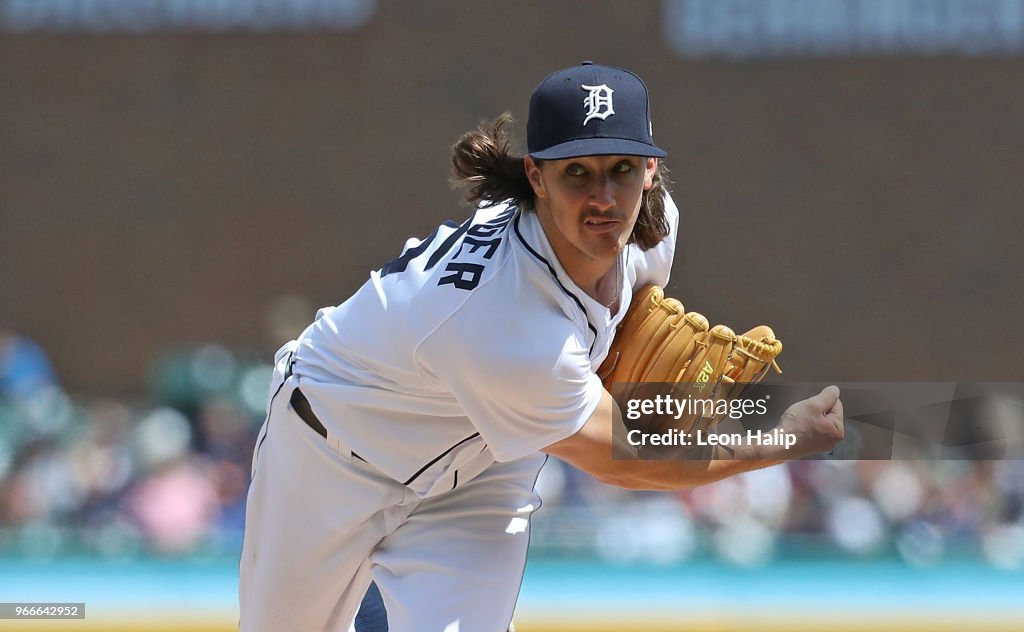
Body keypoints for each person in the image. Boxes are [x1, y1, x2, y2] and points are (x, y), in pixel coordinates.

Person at [238, 62, 844, 632]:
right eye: (576, 172)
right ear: (536, 175)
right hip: (332, 450)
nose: (604, 198)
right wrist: (784, 434)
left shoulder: (650, 232)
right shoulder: (512, 323)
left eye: (622, 169)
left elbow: (631, 329)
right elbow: (628, 458)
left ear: (651, 171)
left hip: (484, 463)